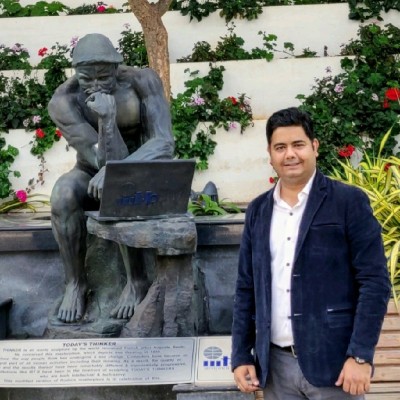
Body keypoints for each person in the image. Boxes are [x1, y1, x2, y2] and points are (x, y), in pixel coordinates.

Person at [231, 107, 390, 399]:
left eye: (298, 144)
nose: (290, 154)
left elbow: (375, 281)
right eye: (280, 147)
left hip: (335, 366)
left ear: (314, 146)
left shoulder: (348, 202)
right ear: (270, 154)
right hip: (276, 369)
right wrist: (241, 355)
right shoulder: (258, 210)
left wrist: (360, 356)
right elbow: (246, 287)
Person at [48, 33, 175, 324]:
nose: (95, 85)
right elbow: (101, 160)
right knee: (62, 195)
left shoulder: (143, 81)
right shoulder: (64, 101)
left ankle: (137, 280)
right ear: (75, 73)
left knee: (116, 186)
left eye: (104, 77)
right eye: (86, 79)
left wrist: (119, 170)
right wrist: (107, 119)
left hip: (144, 166)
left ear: (117, 68)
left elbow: (164, 142)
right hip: (92, 169)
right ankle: (75, 284)